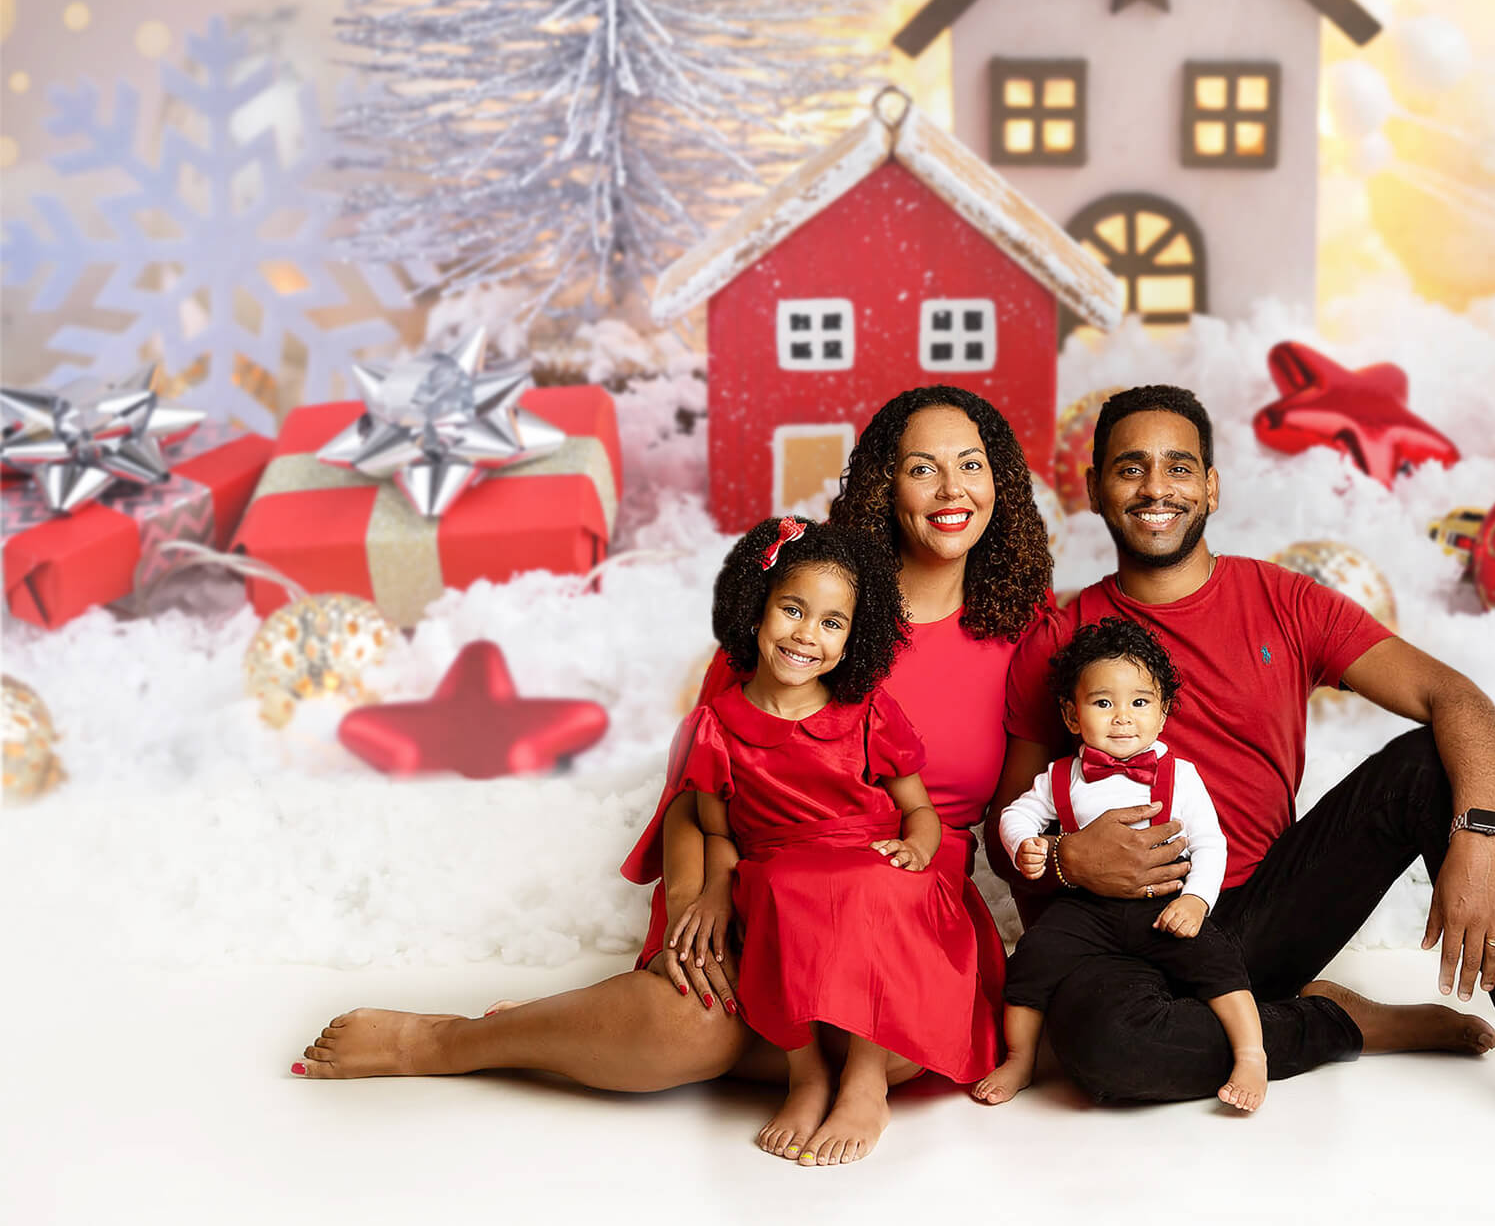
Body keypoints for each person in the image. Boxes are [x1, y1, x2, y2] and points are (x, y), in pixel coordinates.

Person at [987, 384, 1495, 1189]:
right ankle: (1337, 1021)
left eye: (1178, 466)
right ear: (1095, 486)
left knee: (1425, 761)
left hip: (1256, 916)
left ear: (1211, 485)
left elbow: (1460, 702)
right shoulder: (1060, 639)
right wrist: (1067, 867)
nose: (1155, 488)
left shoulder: (1286, 601)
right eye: (1131, 468)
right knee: (1102, 1055)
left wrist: (1476, 835)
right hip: (1117, 935)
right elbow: (1009, 821)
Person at [290, 387, 1048, 1132]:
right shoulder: (809, 603)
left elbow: (1022, 815)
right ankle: (454, 1041)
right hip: (756, 878)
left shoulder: (1025, 629)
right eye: (922, 467)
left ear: (1000, 480)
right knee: (690, 1028)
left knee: (900, 1046)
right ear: (886, 482)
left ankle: (598, 1026)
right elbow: (699, 783)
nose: (951, 489)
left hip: (905, 899)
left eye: (971, 464)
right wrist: (695, 901)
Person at [671, 516, 1001, 1166]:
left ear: (854, 637)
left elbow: (919, 811)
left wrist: (919, 848)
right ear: (756, 607)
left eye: (831, 622)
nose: (806, 634)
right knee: (780, 888)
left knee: (864, 884)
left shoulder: (868, 710)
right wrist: (711, 890)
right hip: (778, 863)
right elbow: (716, 830)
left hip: (874, 858)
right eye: (793, 609)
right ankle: (807, 1074)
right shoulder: (717, 726)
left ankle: (865, 1076)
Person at [975, 617, 1265, 1113]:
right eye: (1103, 703)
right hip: (1086, 907)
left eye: (1139, 702)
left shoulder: (1180, 775)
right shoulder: (1061, 776)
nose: (1123, 718)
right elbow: (1015, 813)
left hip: (1163, 901)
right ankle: (1021, 1058)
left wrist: (1196, 900)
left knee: (1218, 959)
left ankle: (1251, 1054)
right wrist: (1026, 841)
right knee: (1032, 956)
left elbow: (1211, 844)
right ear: (1071, 715)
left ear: (1162, 712)